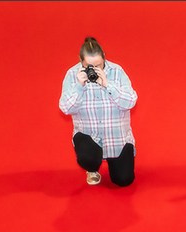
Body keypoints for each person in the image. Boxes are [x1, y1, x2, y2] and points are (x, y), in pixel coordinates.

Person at [59, 36, 137, 187]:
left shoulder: (117, 71)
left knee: (123, 180)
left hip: (117, 138)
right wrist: (79, 87)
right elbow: (65, 108)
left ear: (104, 58)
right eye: (89, 65)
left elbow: (131, 102)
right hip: (89, 136)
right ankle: (92, 168)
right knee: (88, 158)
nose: (94, 69)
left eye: (99, 65)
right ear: (81, 61)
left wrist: (108, 85)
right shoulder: (71, 75)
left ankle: (116, 161)